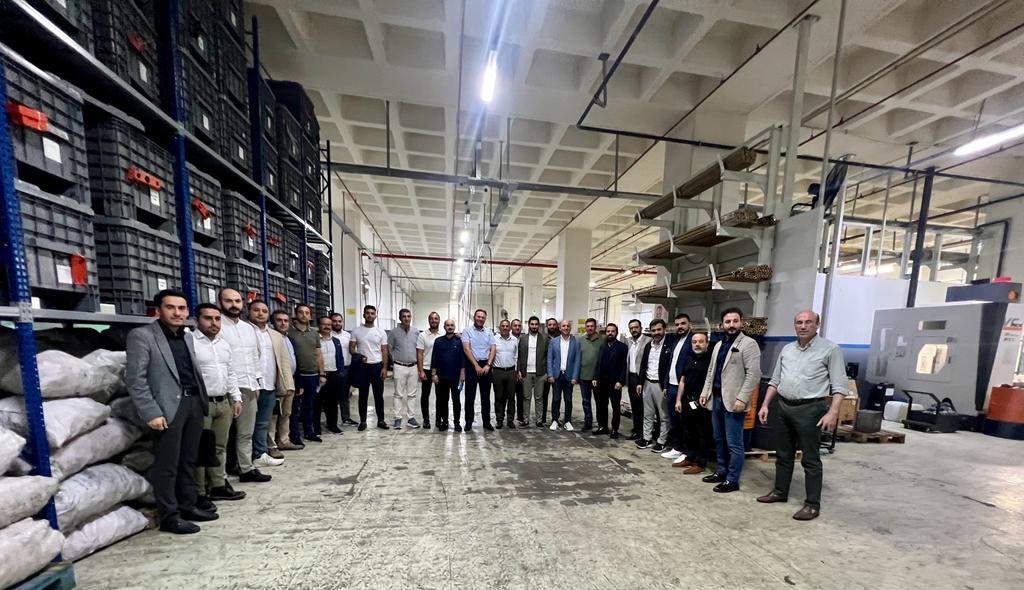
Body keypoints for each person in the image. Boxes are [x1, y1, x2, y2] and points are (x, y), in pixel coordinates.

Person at [125, 290, 212, 534]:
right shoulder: (142, 336)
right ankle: (169, 516)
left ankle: (188, 505)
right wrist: (151, 412)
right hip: (167, 407)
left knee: (188, 460)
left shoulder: (187, 337)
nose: (177, 313)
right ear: (158, 310)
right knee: (167, 465)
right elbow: (135, 379)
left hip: (193, 402)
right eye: (170, 307)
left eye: (182, 308)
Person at [757, 310, 847, 520]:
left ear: (817, 325)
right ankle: (780, 491)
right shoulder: (787, 349)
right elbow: (775, 380)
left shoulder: (830, 349)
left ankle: (812, 504)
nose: (803, 326)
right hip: (784, 406)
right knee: (783, 454)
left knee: (810, 459)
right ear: (795, 325)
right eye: (799, 322)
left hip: (810, 409)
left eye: (808, 322)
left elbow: (840, 385)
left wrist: (833, 411)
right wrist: (765, 405)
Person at [699, 307, 762, 494]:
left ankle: (732, 479)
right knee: (719, 439)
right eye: (728, 322)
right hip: (717, 399)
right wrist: (705, 392)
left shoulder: (749, 344)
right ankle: (721, 471)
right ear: (722, 325)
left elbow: (754, 374)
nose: (731, 325)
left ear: (741, 322)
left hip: (734, 402)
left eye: (735, 321)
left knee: (734, 443)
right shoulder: (718, 345)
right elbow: (711, 371)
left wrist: (742, 398)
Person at [190, 303, 245, 509]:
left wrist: (236, 398)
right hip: (201, 404)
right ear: (197, 320)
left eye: (217, 319)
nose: (214, 323)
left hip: (223, 402)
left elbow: (231, 373)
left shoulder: (223, 344)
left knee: (219, 447)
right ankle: (199, 491)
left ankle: (218, 485)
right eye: (208, 318)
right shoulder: (190, 343)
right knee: (200, 448)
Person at [218, 289, 271, 483]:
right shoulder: (218, 326)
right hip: (225, 389)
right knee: (222, 437)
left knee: (245, 433)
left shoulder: (248, 329)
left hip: (248, 386)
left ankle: (246, 468)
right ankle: (220, 476)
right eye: (228, 301)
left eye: (237, 301)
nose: (233, 305)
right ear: (220, 303)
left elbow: (254, 357)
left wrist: (257, 382)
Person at [248, 300, 293, 467]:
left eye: (264, 311)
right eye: (256, 310)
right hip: (250, 386)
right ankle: (242, 459)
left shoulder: (275, 335)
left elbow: (284, 361)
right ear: (248, 312)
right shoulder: (245, 332)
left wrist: (288, 384)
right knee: (245, 426)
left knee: (263, 423)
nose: (260, 313)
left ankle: (260, 454)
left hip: (269, 385)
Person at [674, 332, 714, 474]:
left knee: (702, 433)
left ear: (707, 343)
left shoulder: (710, 361)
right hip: (687, 400)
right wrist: (679, 400)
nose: (697, 344)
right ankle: (690, 457)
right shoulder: (689, 358)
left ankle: (700, 463)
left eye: (701, 341)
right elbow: (683, 380)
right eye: (694, 342)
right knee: (688, 431)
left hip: (702, 402)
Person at [288, 303, 326, 443]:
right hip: (297, 376)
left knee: (309, 406)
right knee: (294, 407)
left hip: (312, 375)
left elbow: (318, 354)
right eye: (301, 312)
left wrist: (321, 373)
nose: (304, 315)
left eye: (307, 313)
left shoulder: (314, 333)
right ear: (296, 314)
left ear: (310, 315)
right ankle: (294, 435)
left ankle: (309, 432)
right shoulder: (290, 332)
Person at [350, 305, 389, 431]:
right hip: (363, 367)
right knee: (363, 395)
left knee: (379, 396)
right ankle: (363, 421)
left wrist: (384, 368)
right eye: (367, 313)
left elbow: (384, 350)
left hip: (377, 366)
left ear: (376, 315)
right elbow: (351, 348)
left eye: (372, 313)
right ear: (363, 315)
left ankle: (381, 420)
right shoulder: (356, 331)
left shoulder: (381, 332)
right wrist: (358, 356)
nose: (370, 315)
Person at [661, 313, 693, 461]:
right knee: (674, 420)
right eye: (678, 324)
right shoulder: (676, 341)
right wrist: (666, 384)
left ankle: (686, 451)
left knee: (686, 421)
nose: (680, 327)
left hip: (684, 388)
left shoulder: (692, 341)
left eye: (683, 323)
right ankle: (677, 447)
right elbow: (670, 364)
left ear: (689, 324)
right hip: (672, 386)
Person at [636, 319, 671, 451]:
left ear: (664, 329)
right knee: (648, 413)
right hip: (647, 383)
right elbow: (643, 365)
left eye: (658, 330)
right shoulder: (648, 346)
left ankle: (662, 441)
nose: (656, 333)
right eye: (653, 330)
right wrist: (640, 383)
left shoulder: (669, 345)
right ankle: (647, 438)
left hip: (660, 385)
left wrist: (666, 386)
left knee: (664, 416)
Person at [270, 310, 301, 451]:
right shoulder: (270, 337)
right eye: (279, 320)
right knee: (274, 414)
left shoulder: (289, 339)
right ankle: (271, 444)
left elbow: (295, 360)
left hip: (290, 379)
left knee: (286, 412)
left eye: (286, 321)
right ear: (273, 322)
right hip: (277, 380)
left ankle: (284, 440)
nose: (283, 323)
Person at [462, 309, 496, 432]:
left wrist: (488, 365)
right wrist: (476, 365)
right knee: (469, 396)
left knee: (486, 397)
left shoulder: (489, 332)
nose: (480, 319)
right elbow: (466, 349)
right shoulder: (467, 331)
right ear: (474, 317)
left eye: (482, 317)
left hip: (486, 366)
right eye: (478, 316)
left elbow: (493, 349)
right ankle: (468, 422)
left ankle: (486, 422)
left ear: (485, 319)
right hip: (472, 365)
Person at [592, 322, 628, 437]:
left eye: (612, 331)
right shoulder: (602, 346)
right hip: (602, 382)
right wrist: (595, 377)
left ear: (616, 333)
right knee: (601, 405)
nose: (610, 333)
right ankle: (603, 426)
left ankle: (615, 429)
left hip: (615, 383)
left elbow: (624, 366)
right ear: (605, 333)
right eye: (608, 331)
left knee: (615, 407)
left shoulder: (622, 347)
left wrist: (621, 381)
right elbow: (598, 363)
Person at [388, 308, 421, 429]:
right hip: (399, 366)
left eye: (408, 316)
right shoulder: (393, 332)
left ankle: (411, 418)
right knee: (398, 394)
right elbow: (389, 349)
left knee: (412, 394)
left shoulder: (416, 332)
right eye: (404, 316)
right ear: (400, 318)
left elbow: (419, 349)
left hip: (413, 366)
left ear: (411, 317)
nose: (406, 318)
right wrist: (395, 360)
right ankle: (397, 418)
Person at [430, 319, 465, 432]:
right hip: (442, 377)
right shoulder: (438, 341)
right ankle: (444, 421)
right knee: (443, 401)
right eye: (448, 325)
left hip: (456, 378)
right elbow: (434, 358)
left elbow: (462, 359)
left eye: (452, 325)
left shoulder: (459, 341)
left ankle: (457, 423)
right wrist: (434, 374)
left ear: (454, 327)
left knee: (456, 401)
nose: (450, 327)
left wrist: (462, 374)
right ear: (444, 327)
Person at [547, 319, 581, 431]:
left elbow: (577, 360)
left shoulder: (576, 342)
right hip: (556, 375)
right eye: (564, 326)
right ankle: (555, 420)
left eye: (568, 326)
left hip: (569, 376)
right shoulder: (554, 341)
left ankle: (567, 421)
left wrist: (575, 376)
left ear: (570, 328)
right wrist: (550, 374)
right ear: (560, 328)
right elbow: (549, 359)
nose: (566, 328)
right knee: (556, 399)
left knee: (568, 399)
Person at [317, 316, 347, 434]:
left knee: (333, 402)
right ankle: (316, 428)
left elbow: (340, 358)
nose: (327, 327)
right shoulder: (315, 340)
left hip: (334, 375)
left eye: (329, 325)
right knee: (317, 403)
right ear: (319, 325)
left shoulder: (336, 341)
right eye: (324, 324)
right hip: (319, 376)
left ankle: (332, 425)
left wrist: (341, 373)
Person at [516, 316, 548, 428]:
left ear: (538, 325)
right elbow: (519, 356)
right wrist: (519, 370)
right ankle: (525, 420)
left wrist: (547, 372)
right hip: (526, 372)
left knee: (539, 398)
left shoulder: (544, 338)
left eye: (536, 324)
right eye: (532, 324)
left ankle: (539, 420)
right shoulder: (523, 339)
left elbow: (547, 356)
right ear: (529, 325)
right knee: (526, 397)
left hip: (540, 373)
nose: (534, 326)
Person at [624, 319, 651, 441]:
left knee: (644, 407)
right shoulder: (630, 342)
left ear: (641, 328)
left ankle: (645, 432)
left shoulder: (648, 341)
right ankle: (637, 429)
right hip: (631, 378)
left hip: (642, 378)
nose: (633, 330)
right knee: (635, 406)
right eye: (631, 328)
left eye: (636, 327)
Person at [416, 312, 442, 429]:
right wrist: (420, 371)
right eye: (431, 318)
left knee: (440, 396)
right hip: (426, 369)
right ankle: (426, 419)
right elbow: (419, 354)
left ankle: (438, 419)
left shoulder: (443, 334)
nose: (434, 320)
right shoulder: (422, 335)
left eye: (436, 318)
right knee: (425, 395)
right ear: (428, 320)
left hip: (440, 370)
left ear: (439, 320)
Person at [330, 313, 357, 426]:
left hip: (347, 368)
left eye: (339, 321)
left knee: (345, 395)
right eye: (334, 321)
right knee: (332, 396)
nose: (337, 323)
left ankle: (346, 418)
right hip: (333, 370)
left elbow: (353, 351)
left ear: (342, 322)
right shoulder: (327, 336)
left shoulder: (348, 336)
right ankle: (332, 421)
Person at [492, 319, 519, 429]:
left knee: (511, 397)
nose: (505, 328)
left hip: (511, 371)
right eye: (503, 326)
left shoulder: (514, 340)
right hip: (497, 371)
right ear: (499, 327)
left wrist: (516, 371)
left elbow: (516, 356)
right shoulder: (494, 339)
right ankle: (499, 420)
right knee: (499, 397)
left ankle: (510, 420)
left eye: (507, 326)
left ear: (510, 328)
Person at [577, 318, 603, 431]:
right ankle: (588, 422)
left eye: (592, 326)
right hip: (584, 376)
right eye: (588, 326)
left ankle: (601, 423)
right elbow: (578, 358)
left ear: (595, 327)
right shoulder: (581, 340)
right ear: (585, 327)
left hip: (597, 377)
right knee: (586, 401)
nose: (590, 328)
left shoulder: (602, 340)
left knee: (599, 401)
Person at [540, 318, 559, 426]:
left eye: (554, 324)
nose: (552, 326)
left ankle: (555, 419)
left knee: (556, 397)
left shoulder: (561, 338)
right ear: (547, 326)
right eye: (550, 324)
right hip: (545, 372)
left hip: (557, 372)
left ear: (557, 326)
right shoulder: (542, 338)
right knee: (543, 396)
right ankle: (542, 418)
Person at [510, 319, 527, 427]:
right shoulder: (508, 338)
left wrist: (520, 371)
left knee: (521, 396)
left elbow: (523, 357)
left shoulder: (524, 339)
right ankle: (508, 418)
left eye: (519, 325)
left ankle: (521, 417)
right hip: (509, 371)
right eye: (515, 325)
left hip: (521, 372)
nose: (517, 327)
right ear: (511, 327)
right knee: (509, 397)